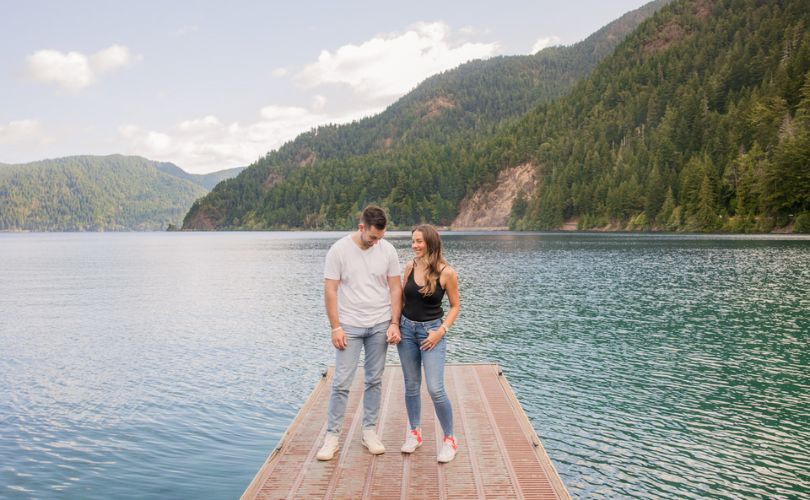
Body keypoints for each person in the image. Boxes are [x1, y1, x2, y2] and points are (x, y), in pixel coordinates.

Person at [316, 205, 402, 461]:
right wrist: (336, 326)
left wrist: (394, 322)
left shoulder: (387, 250)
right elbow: (330, 290)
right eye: (373, 237)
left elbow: (395, 289)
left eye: (381, 237)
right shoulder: (339, 250)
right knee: (342, 382)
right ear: (361, 227)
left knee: (374, 380)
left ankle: (369, 432)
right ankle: (332, 437)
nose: (376, 242)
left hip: (379, 324)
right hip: (349, 326)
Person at [397, 224, 460, 463]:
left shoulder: (447, 272)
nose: (415, 245)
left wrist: (440, 331)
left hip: (432, 333)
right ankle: (415, 432)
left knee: (435, 388)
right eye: (413, 241)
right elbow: (402, 299)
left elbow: (455, 306)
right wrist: (395, 325)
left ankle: (450, 439)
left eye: (419, 241)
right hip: (406, 330)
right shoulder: (409, 267)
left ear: (431, 242)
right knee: (411, 385)